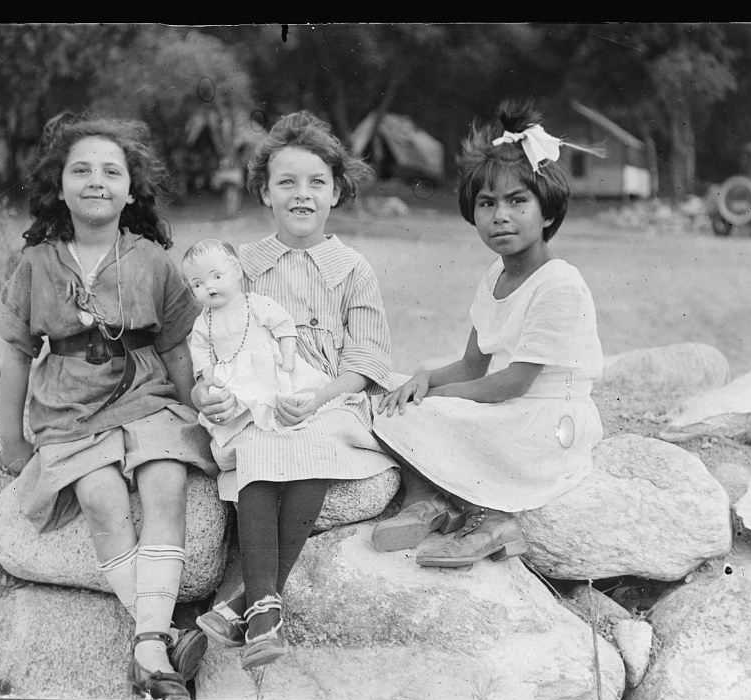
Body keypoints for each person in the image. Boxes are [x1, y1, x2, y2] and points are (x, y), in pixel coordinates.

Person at [0, 113, 218, 700]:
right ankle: (157, 641)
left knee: (166, 480)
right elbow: (15, 356)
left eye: (112, 171)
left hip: (145, 393)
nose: (96, 180)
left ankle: (147, 646)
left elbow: (178, 351)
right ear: (57, 185)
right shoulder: (36, 263)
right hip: (68, 408)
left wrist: (196, 414)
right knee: (100, 497)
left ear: (131, 189)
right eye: (80, 169)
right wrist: (12, 442)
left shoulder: (152, 260)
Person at [191, 111, 398, 670]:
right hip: (258, 398)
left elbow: (367, 357)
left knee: (316, 443)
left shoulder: (352, 268)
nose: (301, 195)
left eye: (316, 183)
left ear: (336, 192)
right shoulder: (242, 268)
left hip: (332, 397)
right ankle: (263, 610)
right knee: (260, 445)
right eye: (286, 183)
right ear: (264, 191)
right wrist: (207, 391)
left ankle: (253, 603)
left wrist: (325, 395)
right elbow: (211, 341)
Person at [371, 100, 605, 569]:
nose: (501, 215)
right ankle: (431, 501)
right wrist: (423, 381)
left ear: (547, 211)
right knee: (394, 402)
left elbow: (512, 382)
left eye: (518, 201)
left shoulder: (559, 283)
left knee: (431, 412)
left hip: (550, 418)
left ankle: (492, 519)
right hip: (515, 406)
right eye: (487, 203)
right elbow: (472, 365)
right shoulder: (494, 277)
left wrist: (438, 399)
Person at [181, 238, 342, 447]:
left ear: (237, 271)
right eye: (198, 284)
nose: (209, 286)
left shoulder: (256, 303)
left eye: (217, 276)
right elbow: (201, 355)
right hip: (233, 376)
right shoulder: (203, 322)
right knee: (232, 413)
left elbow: (284, 326)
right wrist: (209, 379)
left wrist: (288, 356)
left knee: (289, 399)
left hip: (269, 367)